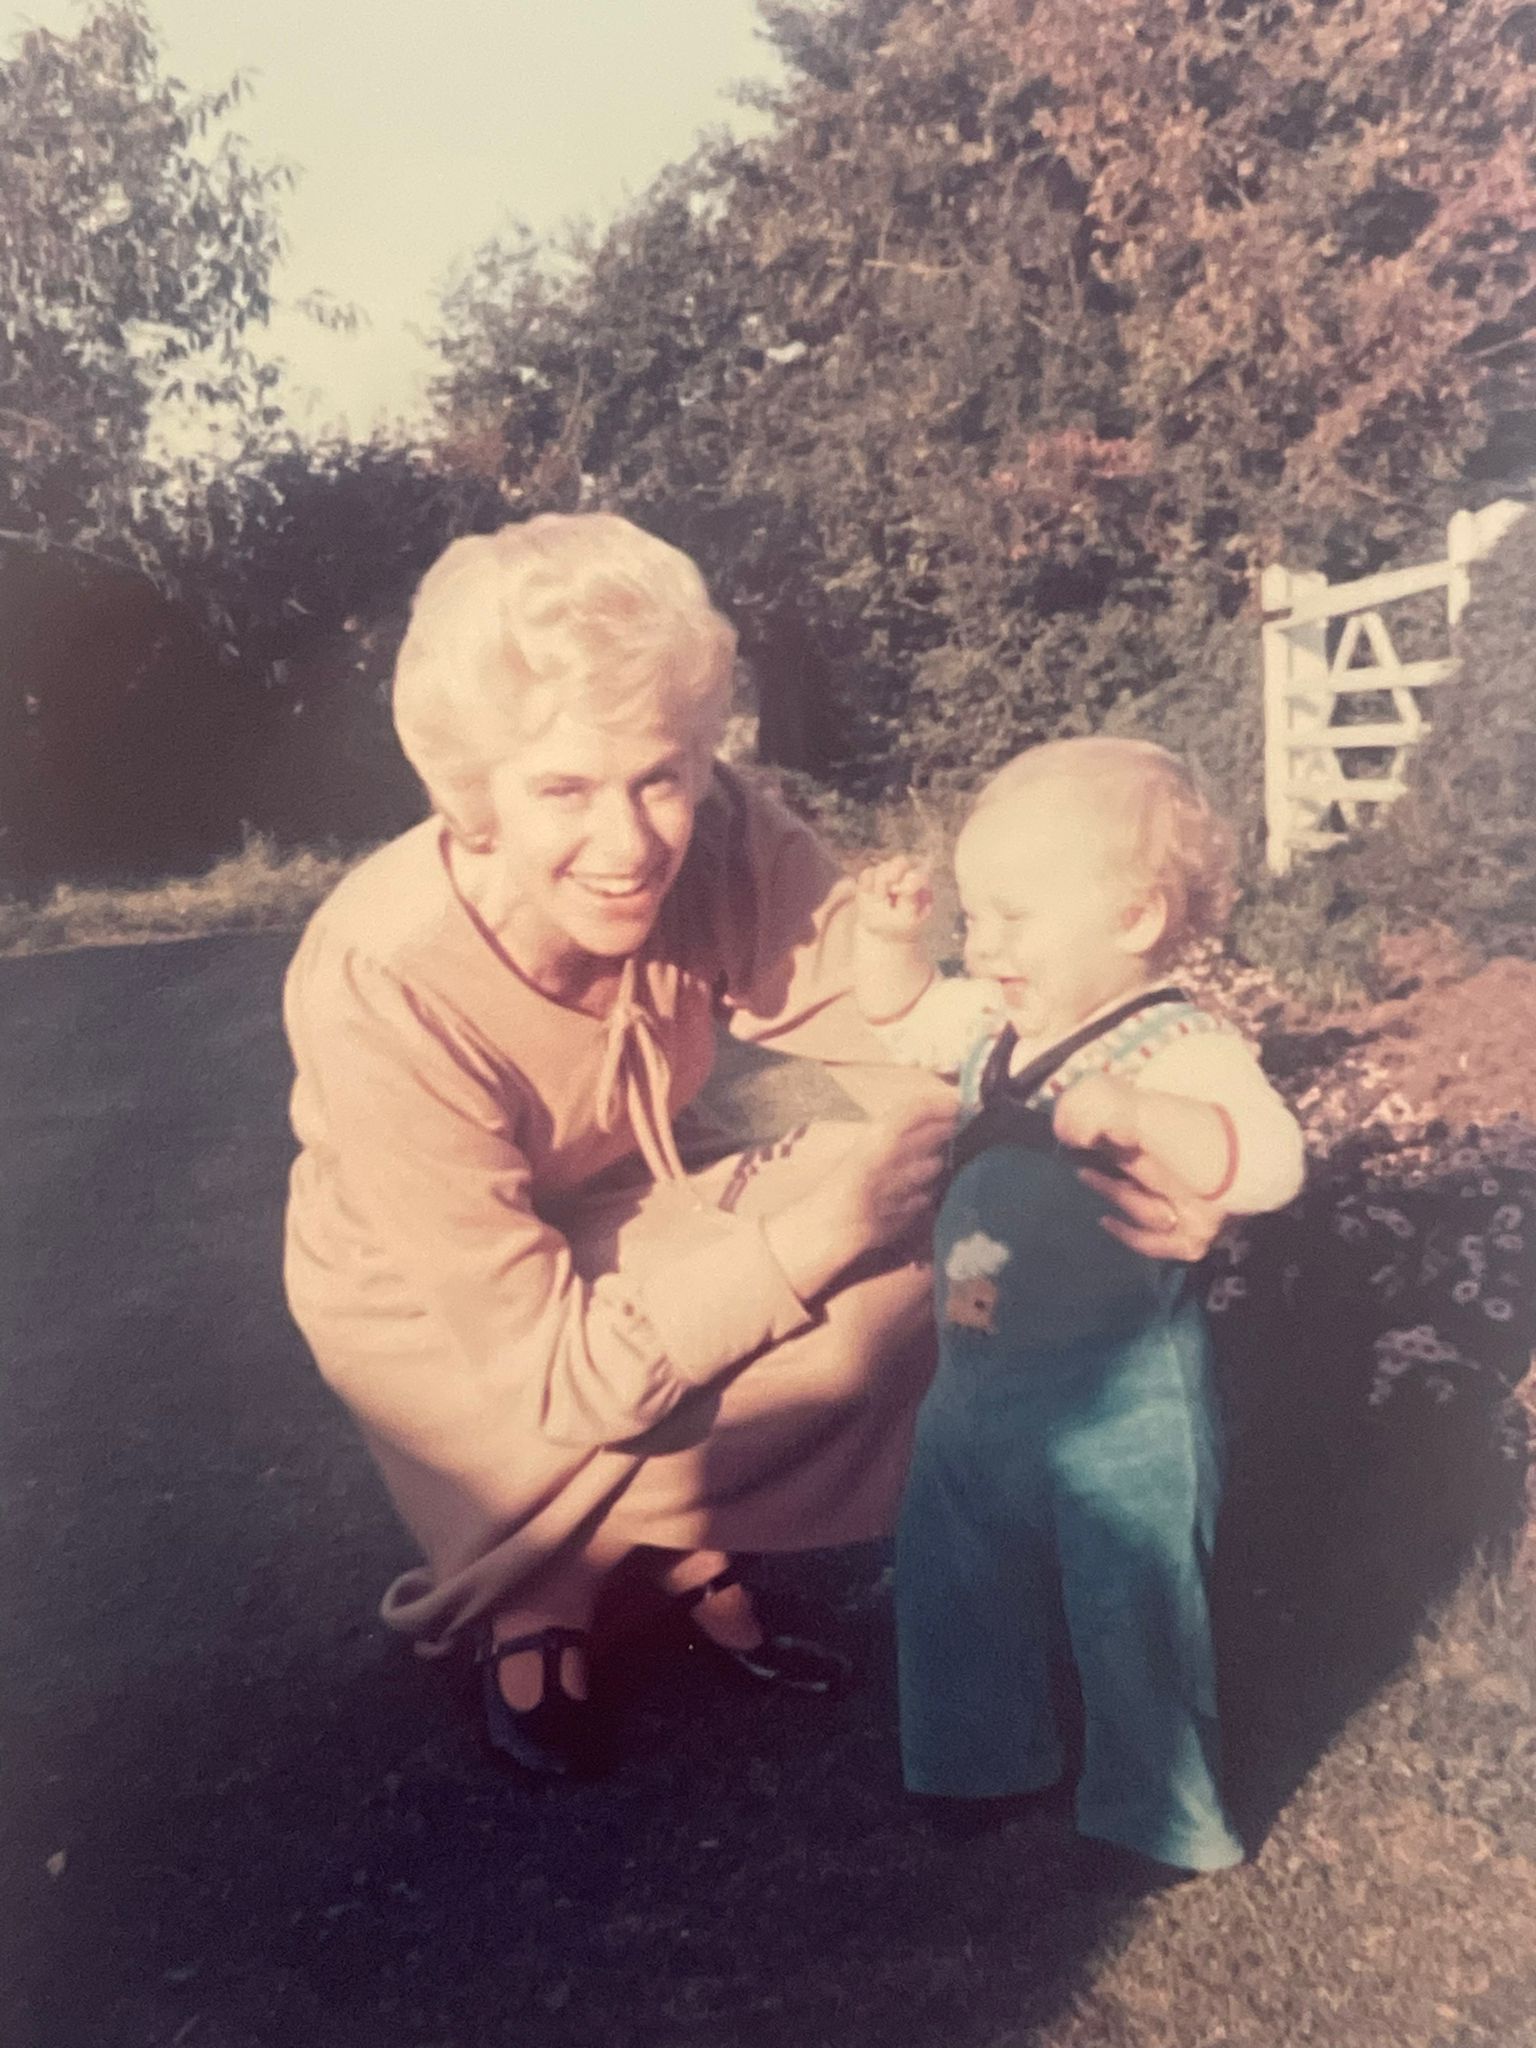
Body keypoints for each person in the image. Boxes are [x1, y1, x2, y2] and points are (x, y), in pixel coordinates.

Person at [283, 516, 1230, 1781]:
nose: (630, 845)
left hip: (622, 1203)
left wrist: (1115, 1137)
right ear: (474, 794)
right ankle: (542, 1579)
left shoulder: (722, 829)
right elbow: (552, 1372)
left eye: (659, 775)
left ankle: (658, 1526)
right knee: (763, 1321)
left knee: (942, 1265)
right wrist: (820, 1227)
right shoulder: (379, 978)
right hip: (429, 1301)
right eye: (563, 786)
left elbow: (895, 1029)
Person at [852, 737, 1306, 1880]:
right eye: (973, 915)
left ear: (1136, 916)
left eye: (1011, 915)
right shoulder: (998, 1028)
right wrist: (889, 938)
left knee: (1134, 1601)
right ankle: (976, 1755)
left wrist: (1148, 1116)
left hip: (1120, 1396)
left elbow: (1270, 1161)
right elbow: (897, 1011)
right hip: (977, 1380)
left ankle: (1158, 1800)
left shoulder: (1179, 1045)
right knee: (957, 1581)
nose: (981, 941)